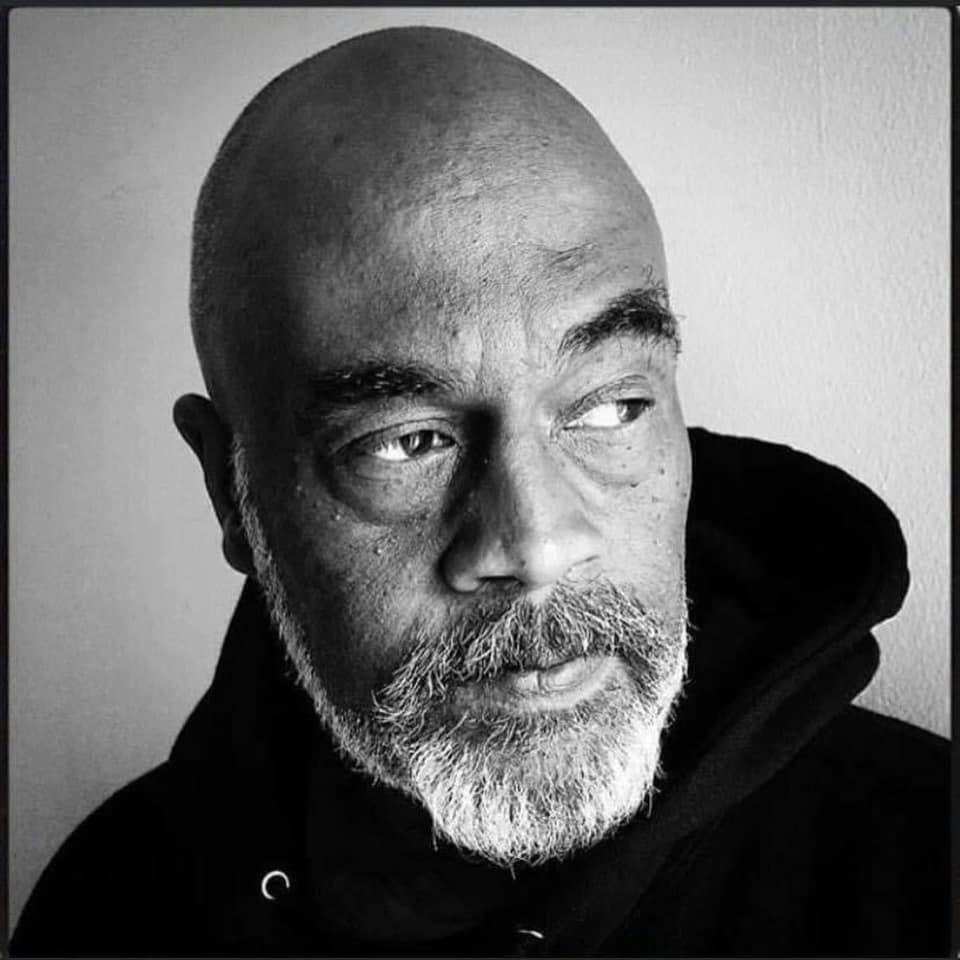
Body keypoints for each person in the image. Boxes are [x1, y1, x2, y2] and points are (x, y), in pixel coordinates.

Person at [11, 26, 948, 957]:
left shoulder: (928, 872)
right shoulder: (112, 907)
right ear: (231, 489)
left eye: (612, 406)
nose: (536, 545)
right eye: (408, 441)